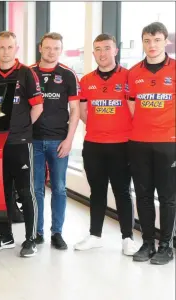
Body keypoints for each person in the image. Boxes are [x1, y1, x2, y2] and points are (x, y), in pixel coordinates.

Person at [74, 33, 139, 255]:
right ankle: (95, 235)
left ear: (115, 50)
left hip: (122, 145)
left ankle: (127, 238)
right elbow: (83, 111)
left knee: (122, 191)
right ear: (93, 53)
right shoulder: (86, 80)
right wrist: (100, 126)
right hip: (94, 144)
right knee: (97, 191)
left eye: (107, 48)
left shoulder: (128, 77)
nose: (102, 53)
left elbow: (135, 109)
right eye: (98, 49)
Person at [0, 31, 43, 257]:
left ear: (16, 49)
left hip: (20, 143)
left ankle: (31, 239)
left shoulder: (26, 74)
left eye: (10, 47)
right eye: (2, 47)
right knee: (1, 192)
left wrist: (22, 129)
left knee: (26, 192)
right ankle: (6, 236)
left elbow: (37, 107)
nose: (6, 51)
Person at [127, 22, 175, 265]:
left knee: (167, 196)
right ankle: (147, 243)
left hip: (169, 143)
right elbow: (132, 105)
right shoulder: (133, 73)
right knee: (143, 195)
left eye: (156, 40)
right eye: (147, 40)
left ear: (165, 41)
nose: (152, 45)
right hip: (139, 143)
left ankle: (166, 245)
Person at [30, 32, 80, 250]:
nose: (51, 52)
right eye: (48, 47)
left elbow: (75, 110)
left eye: (56, 48)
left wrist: (69, 140)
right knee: (36, 189)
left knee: (59, 188)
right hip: (33, 141)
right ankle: (37, 232)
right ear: (40, 48)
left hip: (59, 141)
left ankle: (57, 233)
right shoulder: (28, 73)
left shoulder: (68, 75)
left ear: (61, 50)